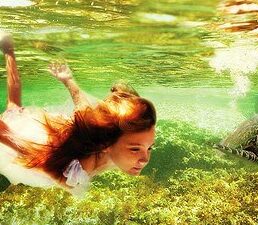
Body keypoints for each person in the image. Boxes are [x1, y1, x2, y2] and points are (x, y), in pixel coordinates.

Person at [0, 31, 156, 196]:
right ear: (106, 145)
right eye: (135, 149)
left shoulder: (115, 138)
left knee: (14, 102)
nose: (145, 159)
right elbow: (30, 153)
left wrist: (68, 80)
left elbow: (84, 108)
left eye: (150, 148)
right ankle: (8, 48)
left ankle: (8, 48)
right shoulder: (76, 164)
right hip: (23, 146)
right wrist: (65, 184)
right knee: (13, 105)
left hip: (36, 140)